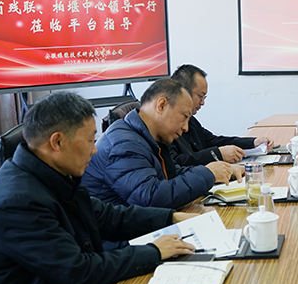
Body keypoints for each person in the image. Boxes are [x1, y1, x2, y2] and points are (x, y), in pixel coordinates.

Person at [0, 92, 199, 284]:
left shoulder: (50, 175)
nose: (95, 150)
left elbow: (106, 216)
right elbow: (77, 272)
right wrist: (154, 251)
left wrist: (170, 218)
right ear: (57, 142)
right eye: (89, 141)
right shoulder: (16, 200)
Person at [82, 78, 239, 209]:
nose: (186, 128)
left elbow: (172, 173)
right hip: (121, 235)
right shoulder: (123, 144)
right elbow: (151, 198)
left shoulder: (146, 137)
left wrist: (219, 170)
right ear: (161, 105)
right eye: (184, 117)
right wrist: (208, 174)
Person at [169, 64, 273, 166]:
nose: (203, 103)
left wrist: (253, 142)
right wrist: (218, 154)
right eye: (201, 96)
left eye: (204, 97)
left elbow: (214, 141)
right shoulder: (166, 127)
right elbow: (176, 164)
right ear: (184, 92)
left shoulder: (192, 121)